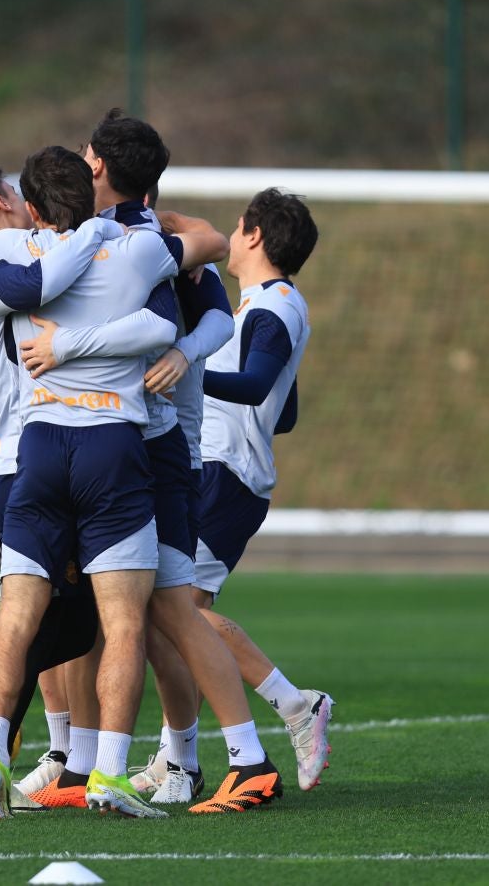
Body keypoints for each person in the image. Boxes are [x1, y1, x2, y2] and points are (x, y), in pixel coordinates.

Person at [0, 146, 227, 819]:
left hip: (33, 450)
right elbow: (175, 302)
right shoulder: (135, 249)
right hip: (112, 448)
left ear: (30, 207)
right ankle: (107, 775)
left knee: (17, 618)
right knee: (122, 624)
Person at [194, 188, 334, 793]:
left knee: (178, 613)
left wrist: (184, 370)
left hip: (224, 475)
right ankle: (175, 757)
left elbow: (255, 387)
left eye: (236, 226)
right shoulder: (268, 305)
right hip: (224, 471)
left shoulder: (273, 307)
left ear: (253, 234)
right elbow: (285, 409)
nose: (229, 236)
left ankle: (296, 705)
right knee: (177, 618)